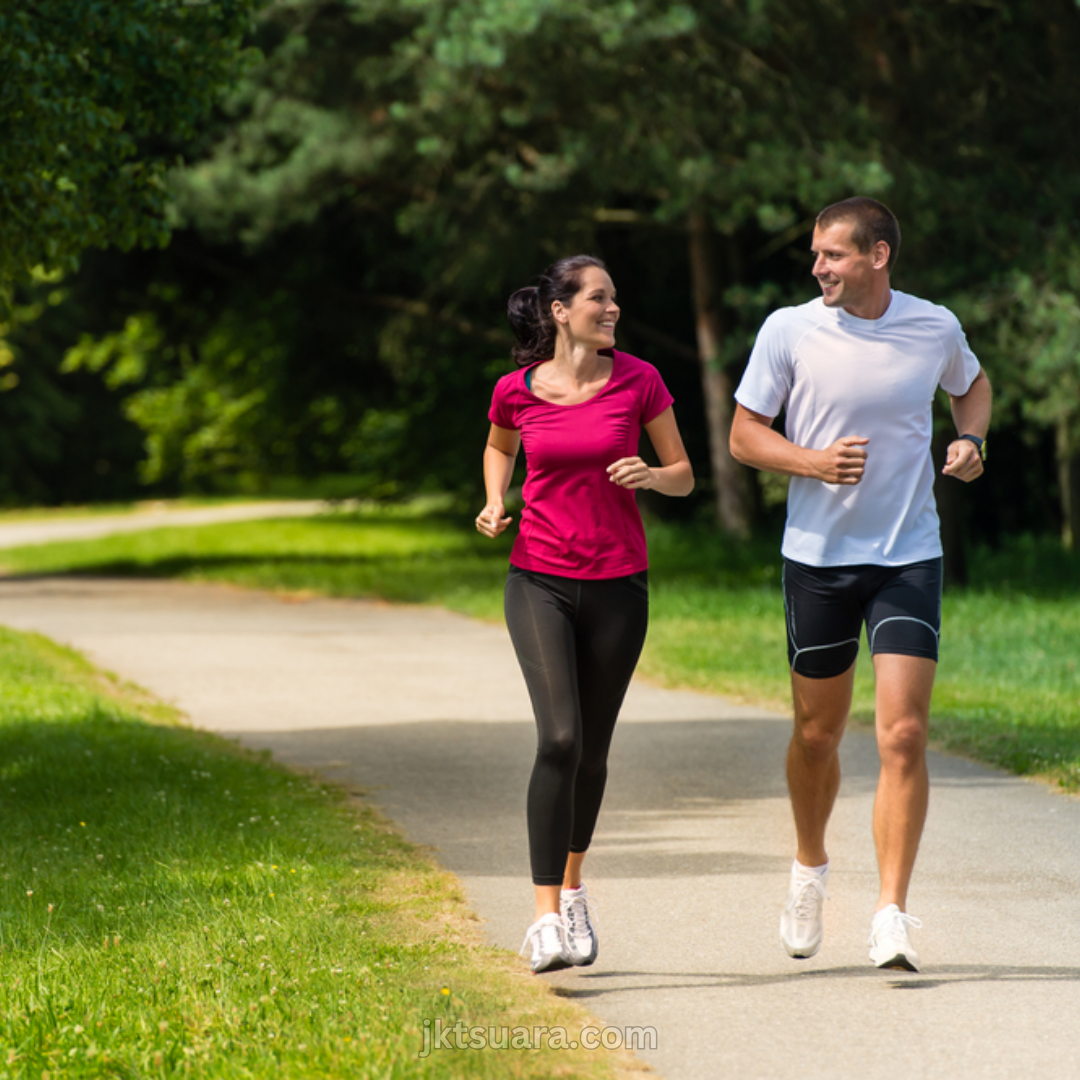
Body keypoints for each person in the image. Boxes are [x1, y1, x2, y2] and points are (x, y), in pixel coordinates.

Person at [730, 197, 992, 971]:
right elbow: (745, 435)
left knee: (904, 733)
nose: (819, 267)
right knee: (818, 734)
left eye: (834, 255)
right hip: (818, 556)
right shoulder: (788, 330)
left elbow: (972, 386)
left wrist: (970, 437)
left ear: (878, 256)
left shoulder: (933, 326)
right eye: (816, 255)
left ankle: (891, 912)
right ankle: (809, 868)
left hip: (908, 553)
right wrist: (810, 461)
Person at [476, 255, 694, 973]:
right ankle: (542, 921)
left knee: (593, 752)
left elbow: (684, 474)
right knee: (560, 739)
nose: (613, 308)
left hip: (619, 584)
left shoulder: (640, 380)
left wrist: (651, 475)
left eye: (615, 298)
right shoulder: (517, 390)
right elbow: (498, 444)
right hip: (537, 576)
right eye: (599, 297)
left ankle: (573, 889)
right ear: (560, 311)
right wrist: (495, 498)